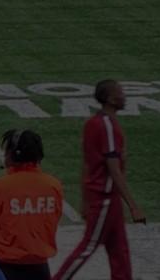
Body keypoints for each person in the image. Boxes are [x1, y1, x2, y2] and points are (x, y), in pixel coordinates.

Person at [54, 80, 146, 280]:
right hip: (104, 197)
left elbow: (86, 164)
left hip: (103, 198)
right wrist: (133, 206)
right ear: (110, 99)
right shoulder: (106, 125)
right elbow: (113, 169)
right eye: (120, 92)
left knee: (120, 252)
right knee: (87, 247)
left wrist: (84, 200)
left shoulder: (95, 123)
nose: (124, 95)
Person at [0, 130, 63, 280]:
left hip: (3, 268)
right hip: (40, 269)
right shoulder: (54, 186)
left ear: (13, 155)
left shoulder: (1, 187)